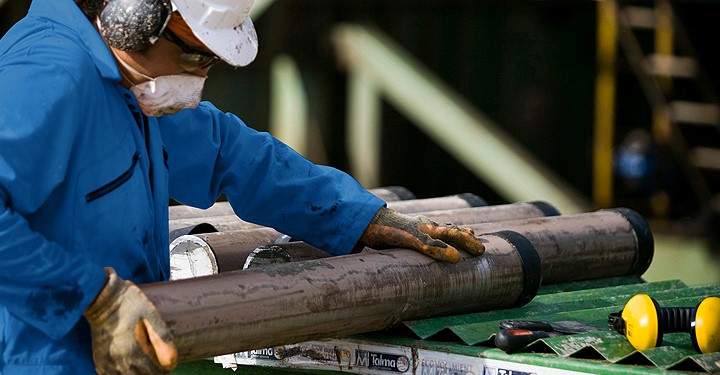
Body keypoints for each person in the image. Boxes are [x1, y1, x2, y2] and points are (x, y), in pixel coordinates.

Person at [0, 0, 485, 373]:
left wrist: (361, 217)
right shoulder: (50, 77)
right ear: (133, 14)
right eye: (194, 54)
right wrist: (92, 297)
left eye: (210, 61)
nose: (198, 76)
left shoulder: (129, 86)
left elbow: (232, 153)